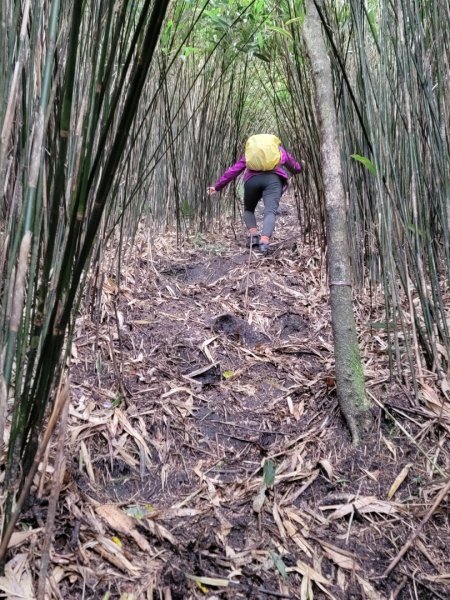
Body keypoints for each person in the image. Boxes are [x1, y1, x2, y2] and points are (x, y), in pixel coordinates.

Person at [207, 135, 302, 252]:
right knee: (270, 211)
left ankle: (254, 237)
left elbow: (234, 170)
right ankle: (264, 242)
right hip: (273, 181)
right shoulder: (278, 150)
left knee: (249, 209)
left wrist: (217, 186)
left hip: (252, 181)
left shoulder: (251, 153)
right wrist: (300, 167)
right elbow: (295, 167)